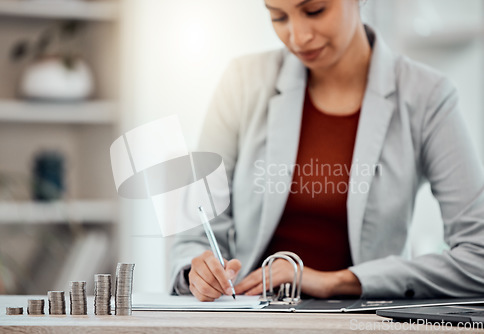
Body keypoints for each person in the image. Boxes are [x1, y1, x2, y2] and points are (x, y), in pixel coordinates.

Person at [170, 0, 484, 302]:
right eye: (279, 16)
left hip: (363, 322)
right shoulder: (243, 82)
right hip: (250, 318)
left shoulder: (427, 97)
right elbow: (195, 234)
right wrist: (196, 272)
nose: (298, 36)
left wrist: (336, 281)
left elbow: (478, 256)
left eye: (315, 10)